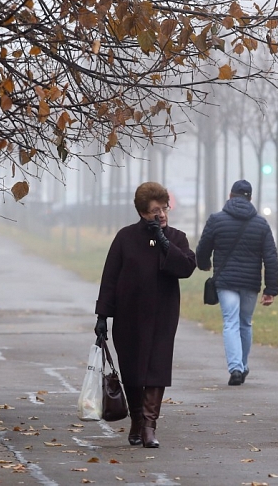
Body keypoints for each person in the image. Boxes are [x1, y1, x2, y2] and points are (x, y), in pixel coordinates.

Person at [94, 182, 197, 448]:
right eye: (155, 211)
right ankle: (137, 420)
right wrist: (102, 315)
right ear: (142, 213)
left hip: (163, 317)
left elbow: (186, 267)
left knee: (156, 369)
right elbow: (110, 278)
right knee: (132, 372)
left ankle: (150, 426)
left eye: (164, 208)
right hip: (129, 317)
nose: (161, 214)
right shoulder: (125, 238)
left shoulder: (176, 237)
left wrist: (163, 242)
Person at [196, 179, 278, 387]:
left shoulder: (216, 220)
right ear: (250, 198)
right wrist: (271, 289)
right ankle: (241, 364)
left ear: (230, 196)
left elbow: (203, 247)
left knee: (230, 322)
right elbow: (271, 258)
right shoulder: (261, 224)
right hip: (250, 282)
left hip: (226, 281)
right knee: (245, 323)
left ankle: (236, 369)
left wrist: (204, 264)